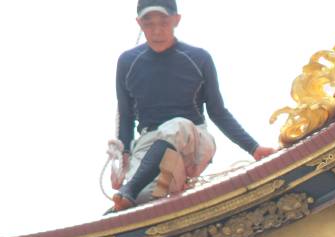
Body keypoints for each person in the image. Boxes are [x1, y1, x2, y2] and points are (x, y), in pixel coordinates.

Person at [111, 0, 274, 212]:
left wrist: (254, 148)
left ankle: (130, 188)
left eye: (164, 22)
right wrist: (122, 160)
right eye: (149, 23)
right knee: (138, 204)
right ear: (139, 24)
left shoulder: (198, 58)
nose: (157, 30)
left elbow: (218, 112)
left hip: (193, 138)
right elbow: (126, 116)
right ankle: (131, 197)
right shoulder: (128, 61)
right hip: (149, 142)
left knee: (176, 126)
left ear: (176, 20)